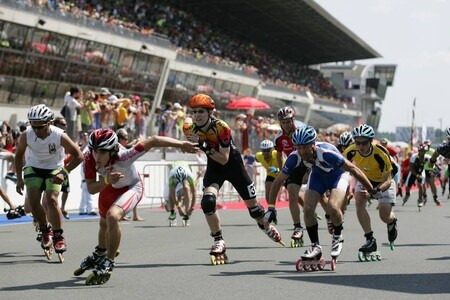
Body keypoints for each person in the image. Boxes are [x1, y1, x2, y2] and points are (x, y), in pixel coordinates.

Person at [77, 128, 198, 284]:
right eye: (95, 151)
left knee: (112, 217)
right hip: (111, 184)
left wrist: (181, 144)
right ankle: (100, 251)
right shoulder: (89, 157)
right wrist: (106, 180)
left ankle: (109, 261)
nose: (97, 157)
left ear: (113, 150)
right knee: (103, 223)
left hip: (132, 186)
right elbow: (92, 188)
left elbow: (153, 140)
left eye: (102, 152)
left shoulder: (124, 156)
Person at [183, 94, 283, 265]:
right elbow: (198, 148)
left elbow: (224, 158)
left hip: (233, 165)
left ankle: (265, 226)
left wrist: (202, 144)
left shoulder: (222, 127)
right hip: (214, 167)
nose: (197, 115)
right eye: (194, 112)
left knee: (255, 211)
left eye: (201, 111)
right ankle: (218, 240)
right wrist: (188, 147)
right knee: (207, 201)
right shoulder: (189, 128)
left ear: (210, 112)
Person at [266, 126, 376, 268]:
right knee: (308, 208)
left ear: (313, 144)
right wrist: (271, 208)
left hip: (338, 175)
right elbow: (278, 182)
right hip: (318, 176)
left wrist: (371, 189)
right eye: (298, 148)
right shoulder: (295, 157)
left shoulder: (326, 153)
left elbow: (354, 169)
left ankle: (337, 236)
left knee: (333, 207)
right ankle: (315, 246)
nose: (302, 151)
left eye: (305, 147)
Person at [15, 104, 84, 255]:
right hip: (34, 166)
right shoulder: (27, 134)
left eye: (40, 127)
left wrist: (65, 172)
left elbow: (79, 156)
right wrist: (19, 179)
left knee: (52, 199)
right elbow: (18, 155)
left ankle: (59, 236)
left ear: (49, 123)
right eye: (34, 126)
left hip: (55, 168)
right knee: (33, 202)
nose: (37, 130)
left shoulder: (59, 135)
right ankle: (45, 230)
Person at [343, 124, 399, 257]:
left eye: (364, 143)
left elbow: (388, 180)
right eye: (357, 142)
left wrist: (374, 191)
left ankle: (392, 221)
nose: (360, 146)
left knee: (384, 216)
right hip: (366, 178)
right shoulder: (351, 151)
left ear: (371, 141)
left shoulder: (381, 153)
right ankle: (370, 239)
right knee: (359, 200)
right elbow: (342, 169)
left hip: (383, 181)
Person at [273, 106, 307, 245]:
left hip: (308, 164)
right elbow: (279, 155)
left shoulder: (302, 132)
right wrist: (283, 173)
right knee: (292, 196)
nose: (286, 125)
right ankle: (298, 227)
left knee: (320, 194)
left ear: (294, 120)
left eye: (288, 121)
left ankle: (329, 217)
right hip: (293, 167)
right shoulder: (278, 138)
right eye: (283, 122)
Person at [116, 128, 143, 221]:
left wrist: (134, 142)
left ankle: (133, 215)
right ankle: (122, 214)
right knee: (132, 190)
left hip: (126, 173)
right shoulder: (118, 148)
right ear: (120, 139)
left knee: (132, 192)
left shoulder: (120, 146)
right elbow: (129, 149)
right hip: (123, 175)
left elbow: (127, 146)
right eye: (125, 138)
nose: (127, 140)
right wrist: (138, 144)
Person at [167, 162, 196, 226]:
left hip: (186, 167)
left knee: (186, 187)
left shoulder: (189, 176)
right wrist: (179, 207)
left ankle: (187, 213)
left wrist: (191, 208)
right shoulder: (172, 176)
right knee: (171, 191)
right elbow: (172, 192)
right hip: (173, 168)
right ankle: (172, 213)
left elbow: (194, 192)